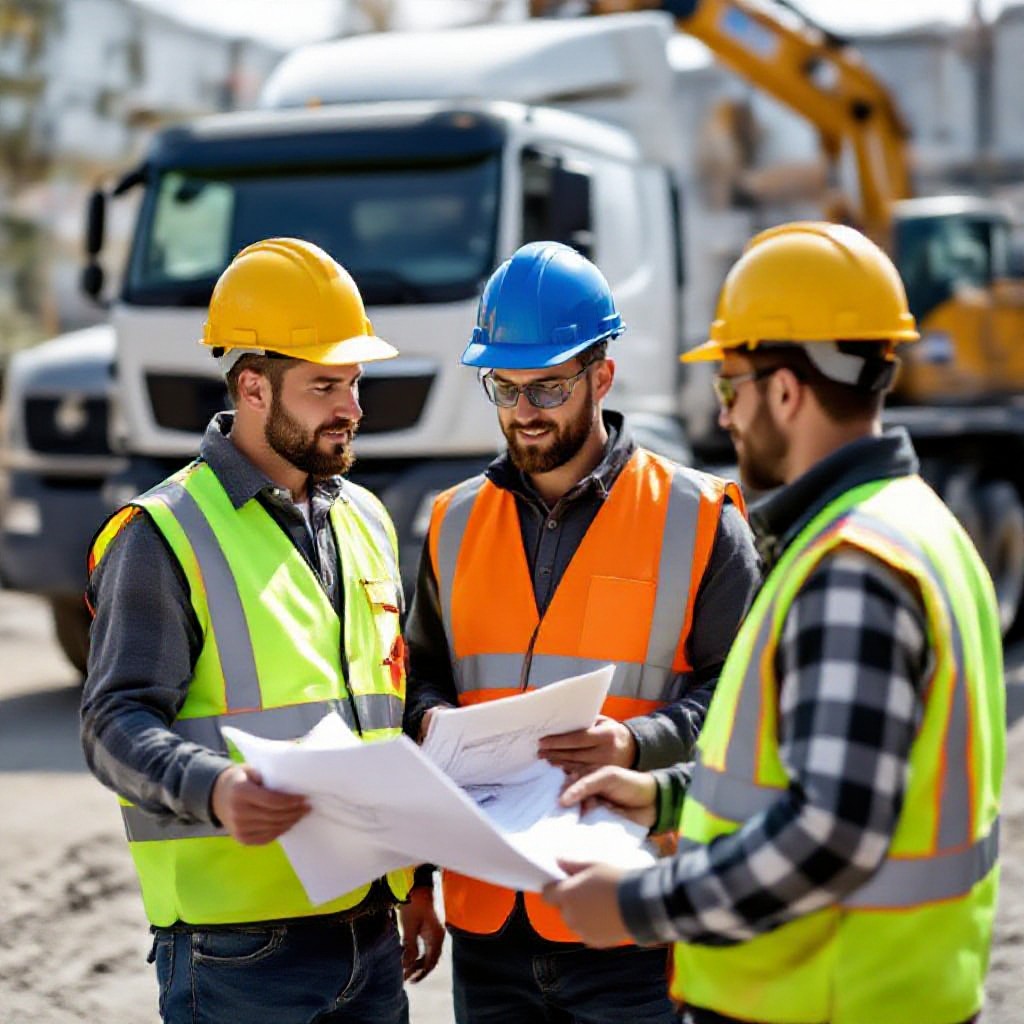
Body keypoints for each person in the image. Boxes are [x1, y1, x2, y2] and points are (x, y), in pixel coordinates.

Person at [544, 222, 1006, 1024]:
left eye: (730, 388)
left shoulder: (854, 563)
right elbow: (807, 777)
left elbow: (831, 832)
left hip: (829, 998)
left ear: (785, 391)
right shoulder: (915, 525)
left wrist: (638, 905)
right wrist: (661, 799)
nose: (723, 417)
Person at [81, 238, 443, 1024]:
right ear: (252, 387)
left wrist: (415, 881)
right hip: (238, 952)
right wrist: (213, 787)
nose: (353, 408)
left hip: (372, 933)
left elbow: (383, 713)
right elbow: (112, 724)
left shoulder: (367, 519)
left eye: (353, 382)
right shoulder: (161, 534)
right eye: (325, 386)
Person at [404, 240, 760, 1022]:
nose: (524, 412)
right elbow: (417, 674)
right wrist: (418, 870)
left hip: (633, 919)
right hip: (490, 921)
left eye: (549, 387)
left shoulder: (697, 519)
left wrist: (637, 744)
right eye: (504, 386)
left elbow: (745, 705)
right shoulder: (454, 522)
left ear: (602, 374)